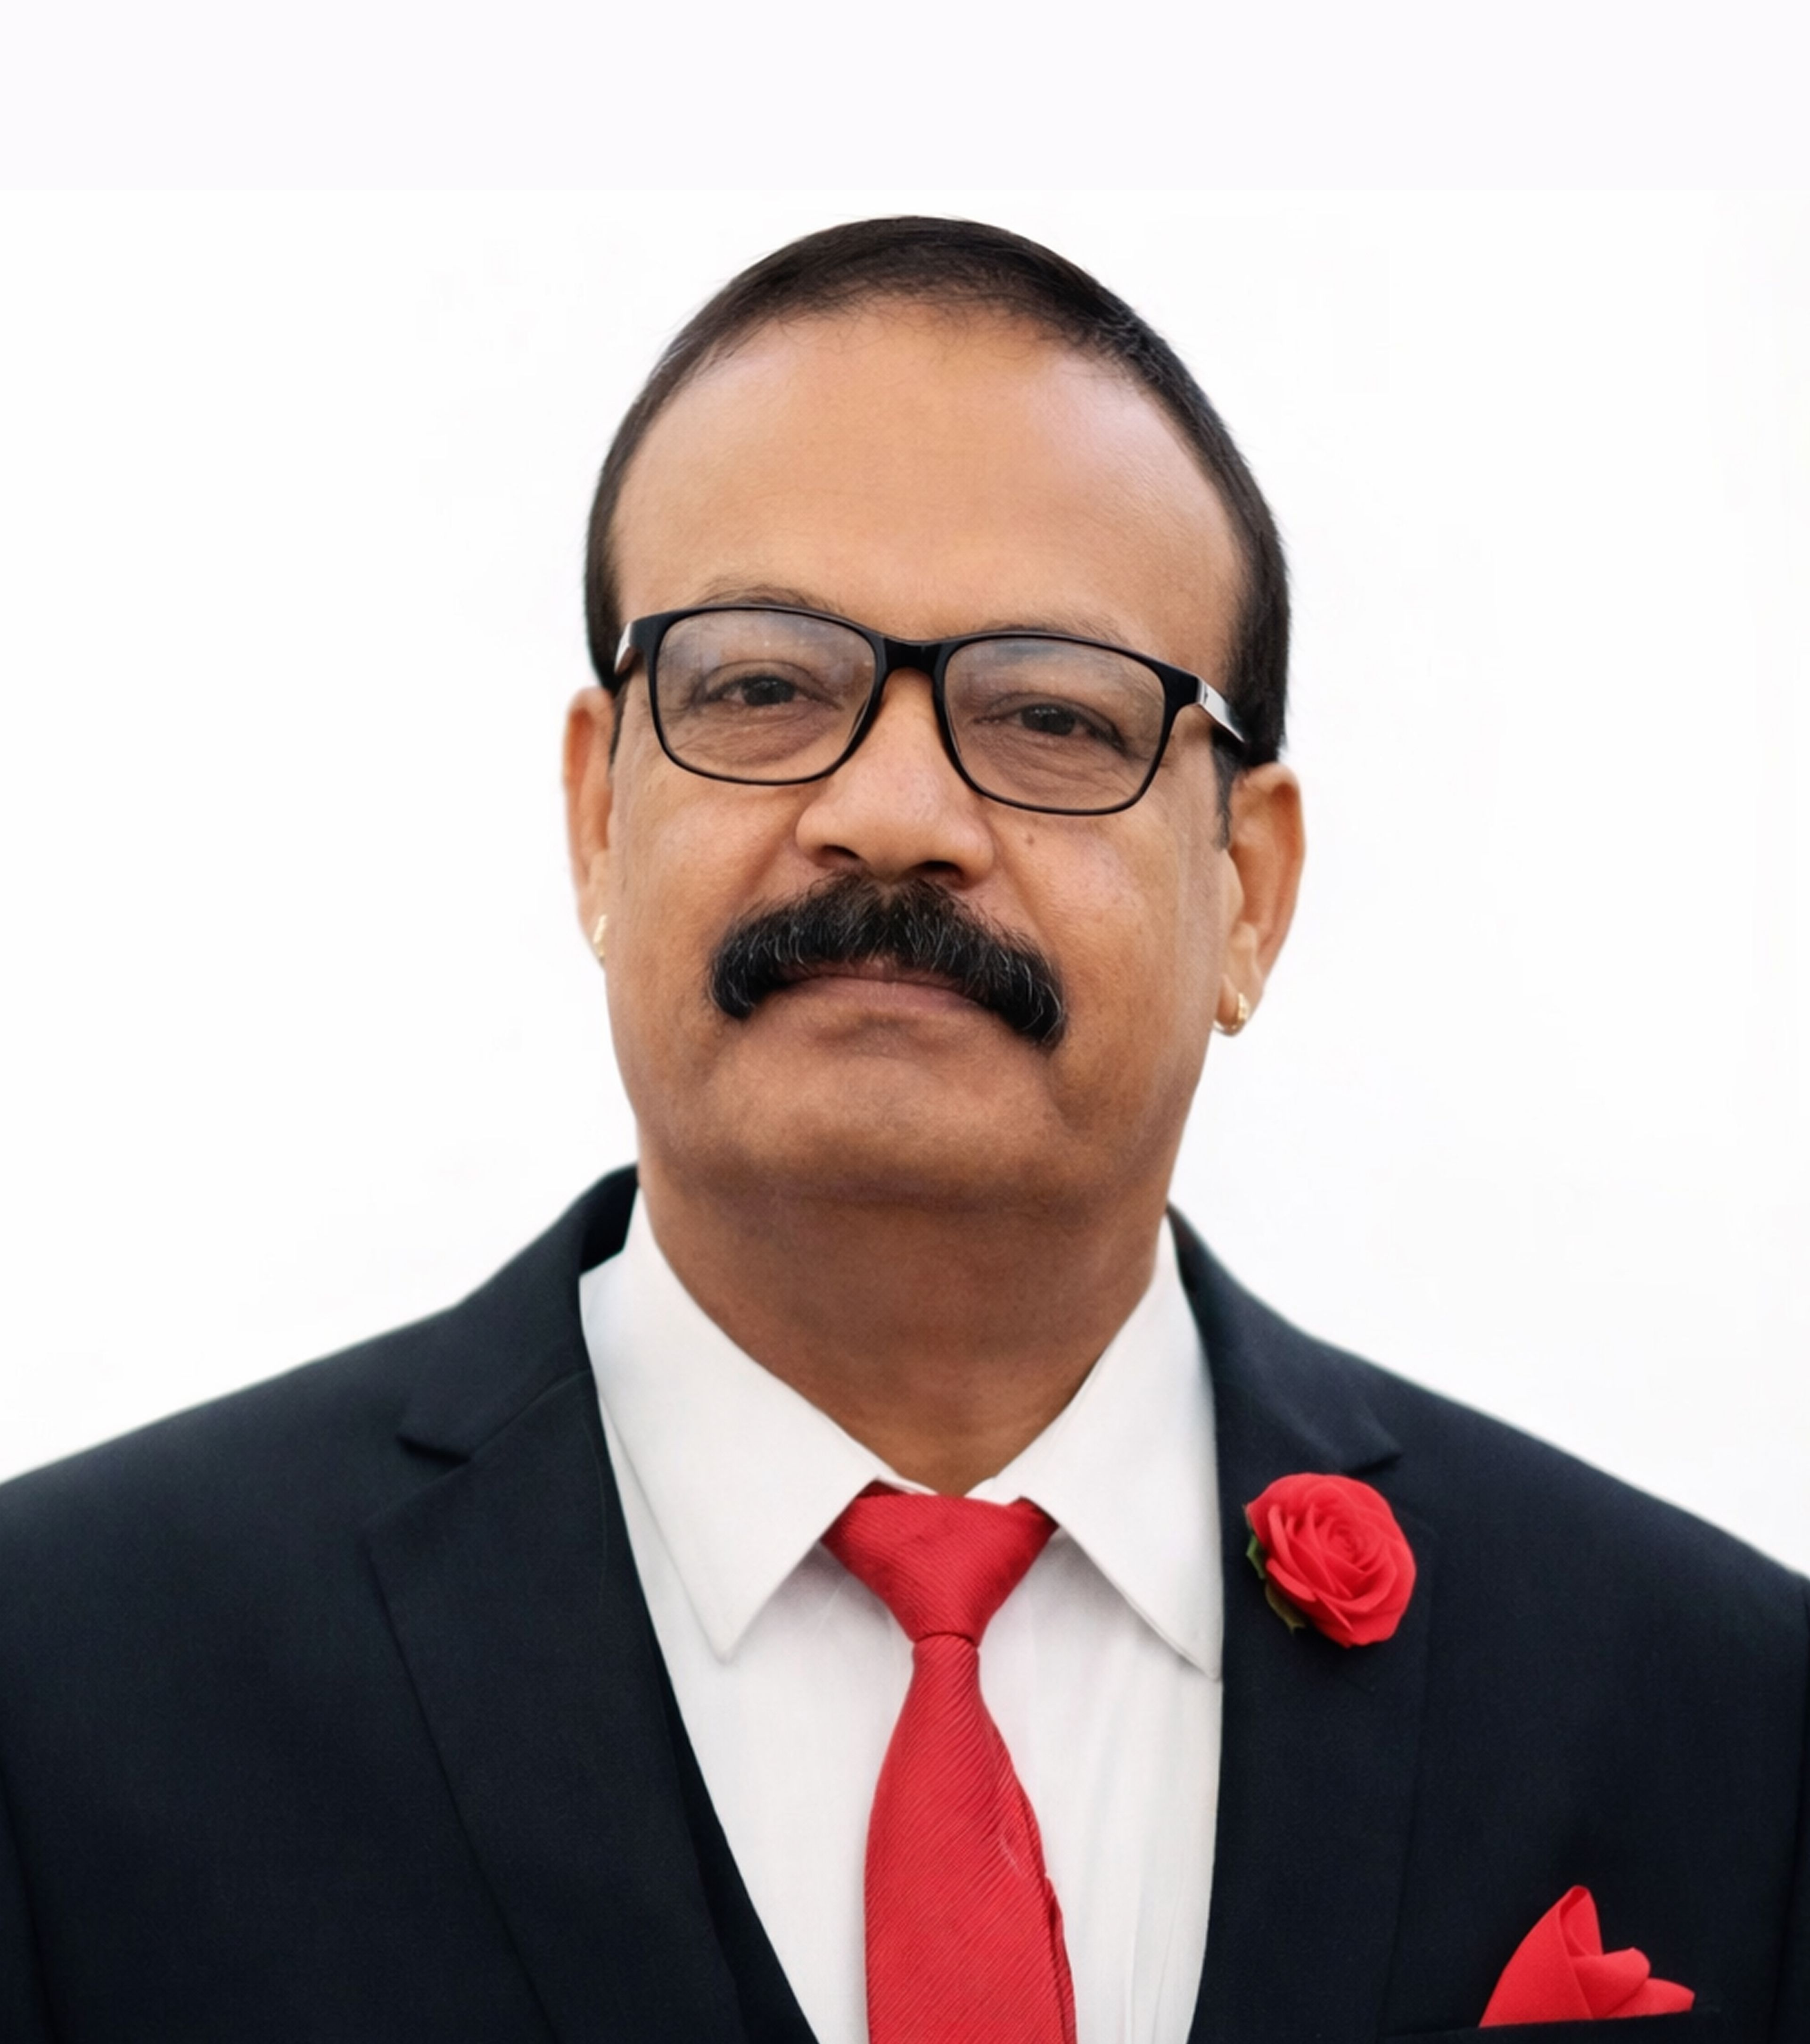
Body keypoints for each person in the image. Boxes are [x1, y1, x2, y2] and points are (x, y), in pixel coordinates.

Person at [0, 217, 1803, 2044]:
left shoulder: (1724, 1718)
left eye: (1051, 714)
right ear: (599, 816)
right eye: (760, 689)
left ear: (1249, 891)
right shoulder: (62, 1679)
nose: (890, 812)